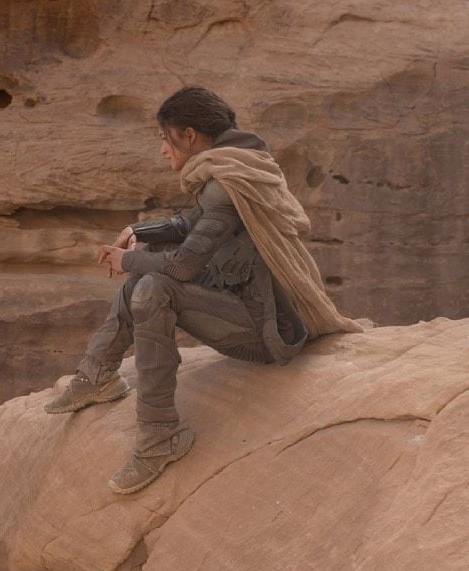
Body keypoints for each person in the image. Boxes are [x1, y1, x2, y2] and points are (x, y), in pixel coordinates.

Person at [46, 86, 361, 495]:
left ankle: (158, 438)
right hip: (246, 305)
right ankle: (96, 377)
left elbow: (183, 266)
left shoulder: (227, 184)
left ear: (189, 135)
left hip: (264, 331)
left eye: (165, 138)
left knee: (154, 285)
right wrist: (136, 231)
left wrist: (127, 260)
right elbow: (187, 224)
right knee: (148, 266)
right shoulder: (240, 167)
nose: (163, 150)